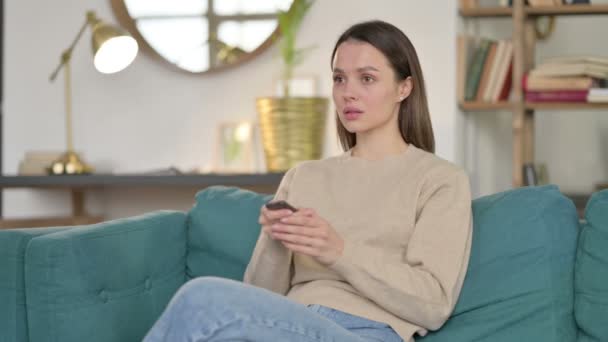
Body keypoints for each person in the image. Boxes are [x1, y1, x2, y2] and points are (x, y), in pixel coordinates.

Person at [143, 20, 472, 342]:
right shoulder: (304, 177)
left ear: (404, 88)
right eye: (339, 79)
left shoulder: (439, 180)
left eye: (367, 79)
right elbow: (257, 297)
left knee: (202, 296)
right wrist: (275, 239)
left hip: (366, 332)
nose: (348, 94)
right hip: (286, 324)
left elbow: (434, 304)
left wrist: (338, 251)